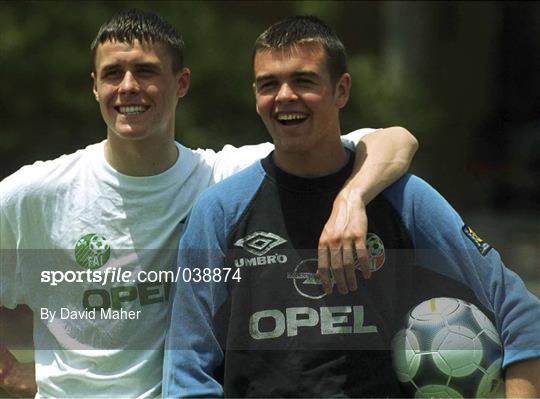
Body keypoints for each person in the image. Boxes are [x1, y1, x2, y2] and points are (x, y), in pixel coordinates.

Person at [0, 9, 419, 398]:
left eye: (145, 71)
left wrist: (352, 197)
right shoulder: (37, 194)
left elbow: (394, 139)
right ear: (95, 86)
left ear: (181, 83)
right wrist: (12, 370)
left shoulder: (223, 180)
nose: (128, 86)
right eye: (113, 74)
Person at [163, 15, 540, 398]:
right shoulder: (219, 212)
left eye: (304, 80)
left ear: (341, 90)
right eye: (268, 84)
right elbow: (187, 372)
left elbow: (520, 313)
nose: (284, 96)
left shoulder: (404, 200)